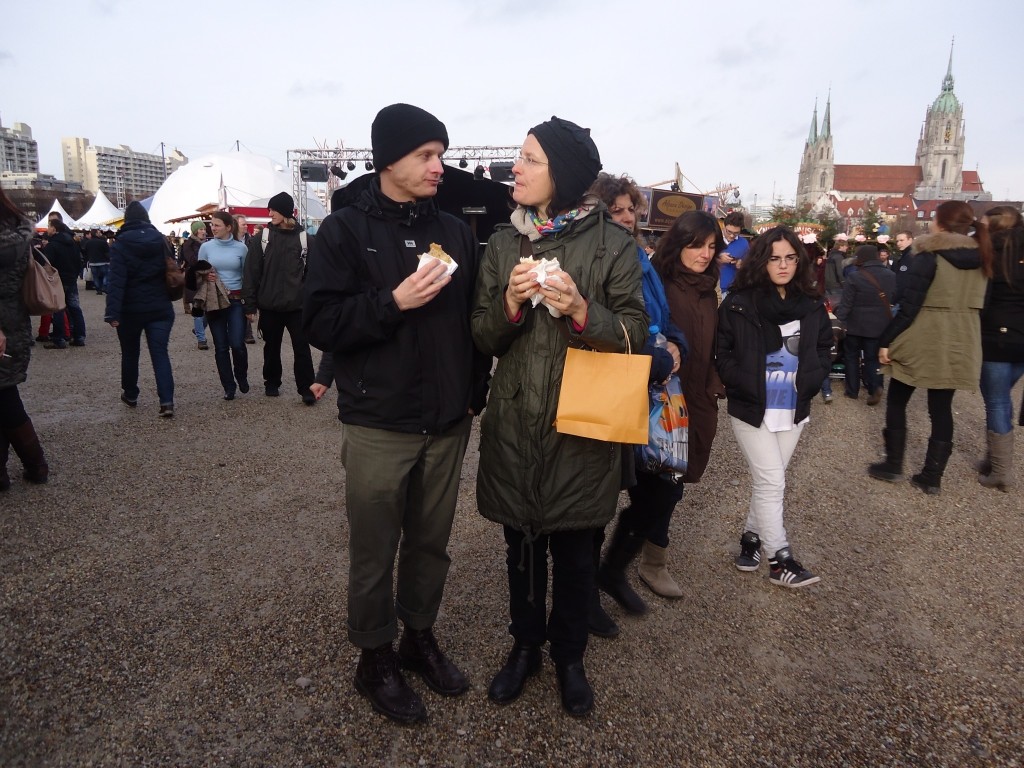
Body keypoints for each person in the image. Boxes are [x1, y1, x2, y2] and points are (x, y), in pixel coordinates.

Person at [303, 103, 489, 724]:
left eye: (441, 153)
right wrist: (391, 301)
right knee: (374, 548)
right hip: (378, 421)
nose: (440, 166)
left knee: (432, 545)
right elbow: (320, 321)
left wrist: (473, 392)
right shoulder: (345, 232)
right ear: (390, 160)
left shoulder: (457, 231)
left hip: (446, 421)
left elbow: (472, 323)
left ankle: (418, 637)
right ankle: (373, 656)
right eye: (426, 155)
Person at [472, 117, 646, 717]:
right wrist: (511, 303)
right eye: (518, 157)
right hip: (517, 424)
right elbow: (483, 336)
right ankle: (523, 647)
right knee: (520, 550)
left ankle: (570, 658)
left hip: (584, 426)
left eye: (528, 159)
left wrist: (580, 310)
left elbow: (638, 337)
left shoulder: (614, 245)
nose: (513, 168)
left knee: (575, 555)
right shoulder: (501, 243)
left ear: (562, 176)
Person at [586, 172, 687, 637]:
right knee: (599, 495)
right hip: (619, 382)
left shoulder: (641, 257)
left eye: (631, 209)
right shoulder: (600, 255)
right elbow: (605, 326)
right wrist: (654, 358)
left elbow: (661, 317)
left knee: (663, 488)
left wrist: (677, 344)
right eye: (617, 211)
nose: (627, 217)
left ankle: (614, 568)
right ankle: (585, 592)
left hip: (655, 384)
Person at [717, 227, 832, 588]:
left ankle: (751, 539)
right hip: (753, 408)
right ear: (762, 261)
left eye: (790, 258)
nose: (783, 265)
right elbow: (723, 352)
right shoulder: (739, 301)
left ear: (799, 260)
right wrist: (740, 382)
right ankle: (780, 559)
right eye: (774, 258)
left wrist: (813, 378)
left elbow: (826, 347)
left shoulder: (811, 302)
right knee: (771, 481)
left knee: (771, 481)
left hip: (794, 407)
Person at [868, 200, 992, 494]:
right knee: (941, 408)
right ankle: (932, 476)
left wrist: (886, 340)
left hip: (924, 333)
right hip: (961, 337)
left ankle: (894, 464)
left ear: (940, 223)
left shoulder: (929, 256)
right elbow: (984, 305)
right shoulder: (983, 258)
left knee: (898, 399)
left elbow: (910, 306)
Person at [242, 192, 317, 404]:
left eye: (273, 209)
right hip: (270, 306)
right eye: (270, 209)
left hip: (298, 307)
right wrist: (250, 305)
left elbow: (315, 275)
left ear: (285, 212)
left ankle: (307, 389)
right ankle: (272, 382)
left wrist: (313, 302)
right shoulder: (262, 239)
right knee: (271, 347)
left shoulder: (306, 240)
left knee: (302, 348)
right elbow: (251, 273)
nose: (270, 213)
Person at [104, 202, 176, 417]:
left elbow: (116, 281)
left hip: (130, 309)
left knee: (130, 353)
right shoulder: (161, 241)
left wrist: (112, 313)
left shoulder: (120, 244)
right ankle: (166, 402)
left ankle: (131, 393)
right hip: (160, 305)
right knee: (160, 354)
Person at [0, 186, 48, 489]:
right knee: (5, 396)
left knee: (6, 400)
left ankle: (35, 465)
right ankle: (29, 466)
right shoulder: (18, 235)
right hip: (15, 326)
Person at [976, 206, 1024, 491]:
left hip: (996, 335)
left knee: (996, 401)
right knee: (1003, 399)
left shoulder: (989, 252)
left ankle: (1001, 470)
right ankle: (995, 459)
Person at [834, 244, 896, 405]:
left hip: (855, 324)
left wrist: (839, 320)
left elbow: (846, 304)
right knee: (873, 358)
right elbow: (894, 297)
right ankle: (875, 386)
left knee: (851, 357)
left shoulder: (855, 276)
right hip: (879, 325)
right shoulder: (890, 275)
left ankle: (852, 390)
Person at [197, 211, 249, 400]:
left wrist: (249, 304)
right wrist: (204, 275)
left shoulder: (241, 248)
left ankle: (241, 375)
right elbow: (196, 272)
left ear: (228, 227)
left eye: (217, 225)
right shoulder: (206, 247)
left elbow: (247, 276)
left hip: (235, 300)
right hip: (214, 301)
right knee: (220, 346)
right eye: (212, 224)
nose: (213, 228)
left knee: (237, 343)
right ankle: (228, 386)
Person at [43, 220, 86, 349]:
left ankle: (59, 338)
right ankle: (79, 337)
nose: (47, 229)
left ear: (54, 229)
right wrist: (74, 274)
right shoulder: (72, 243)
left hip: (58, 280)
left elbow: (47, 264)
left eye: (49, 226)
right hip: (71, 279)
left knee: (58, 309)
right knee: (74, 308)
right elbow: (79, 260)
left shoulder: (52, 245)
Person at [179, 221, 209, 349]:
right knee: (198, 308)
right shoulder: (188, 244)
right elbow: (192, 260)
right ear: (195, 231)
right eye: (201, 229)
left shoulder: (208, 243)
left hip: (207, 278)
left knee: (209, 309)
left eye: (204, 229)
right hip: (194, 279)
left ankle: (199, 328)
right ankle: (201, 339)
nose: (203, 231)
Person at [717, 211, 749, 294]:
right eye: (729, 232)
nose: (732, 235)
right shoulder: (714, 239)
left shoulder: (744, 243)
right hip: (712, 288)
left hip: (733, 289)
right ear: (723, 226)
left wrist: (741, 263)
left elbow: (749, 266)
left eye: (736, 233)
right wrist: (718, 258)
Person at [82, 229, 111, 295]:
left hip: (92, 262)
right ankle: (104, 286)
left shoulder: (88, 243)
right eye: (99, 232)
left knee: (95, 276)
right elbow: (107, 252)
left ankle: (98, 290)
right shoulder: (103, 242)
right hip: (103, 262)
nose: (100, 233)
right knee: (105, 275)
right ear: (96, 234)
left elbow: (85, 252)